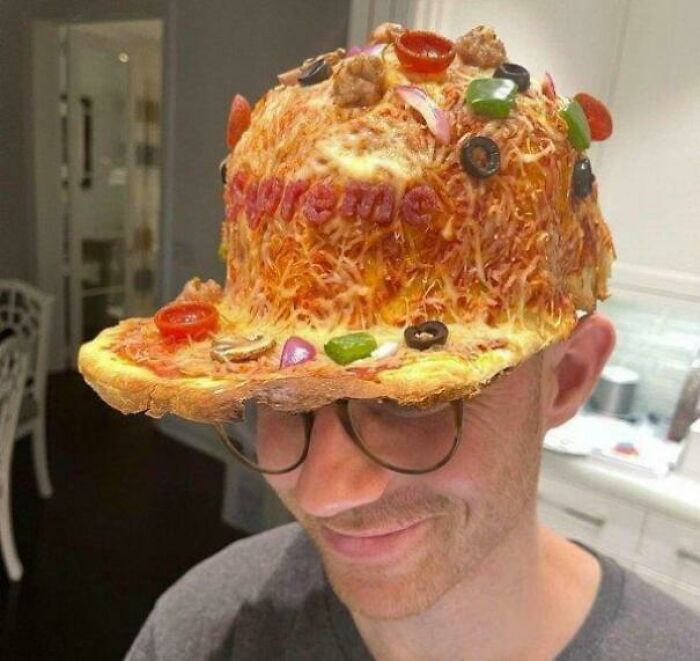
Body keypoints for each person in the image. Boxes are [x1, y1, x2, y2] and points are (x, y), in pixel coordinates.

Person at [126, 313, 700, 660]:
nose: (323, 494)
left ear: (566, 376)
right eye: (279, 395)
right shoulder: (201, 631)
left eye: (413, 396)